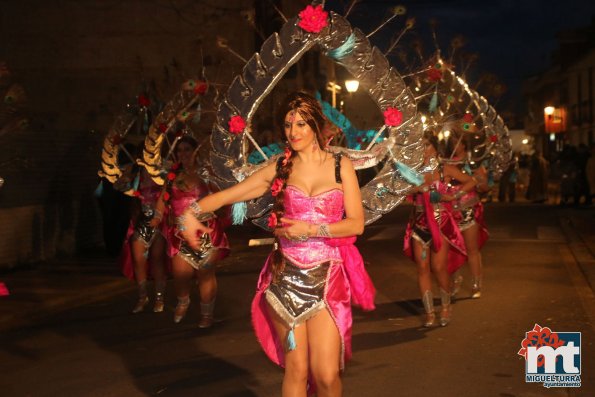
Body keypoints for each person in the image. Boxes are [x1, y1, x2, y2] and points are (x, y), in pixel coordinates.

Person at [178, 92, 375, 396]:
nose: (293, 132)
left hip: (327, 278)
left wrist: (310, 228)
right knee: (296, 369)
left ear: (315, 126)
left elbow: (356, 224)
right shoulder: (280, 167)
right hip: (284, 278)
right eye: (287, 125)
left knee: (326, 375)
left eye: (300, 124)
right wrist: (191, 213)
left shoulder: (341, 165)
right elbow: (232, 194)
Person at [155, 135, 230, 328]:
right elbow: (163, 199)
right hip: (180, 233)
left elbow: (223, 195)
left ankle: (207, 315)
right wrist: (156, 216)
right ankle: (183, 300)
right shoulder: (172, 174)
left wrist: (225, 213)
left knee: (205, 273)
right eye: (179, 150)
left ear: (196, 151)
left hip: (206, 231)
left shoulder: (206, 172)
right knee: (181, 273)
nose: (183, 154)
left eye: (187, 149)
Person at [403, 132, 476, 327]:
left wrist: (454, 196)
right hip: (419, 226)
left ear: (435, 147)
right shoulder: (412, 172)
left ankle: (445, 306)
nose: (423, 150)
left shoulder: (445, 170)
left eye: (426, 145)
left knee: (438, 267)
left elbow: (471, 181)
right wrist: (413, 189)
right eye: (420, 146)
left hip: (440, 225)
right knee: (422, 268)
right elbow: (399, 194)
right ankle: (429, 313)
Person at [118, 167, 168, 313]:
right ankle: (142, 297)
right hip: (141, 222)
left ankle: (159, 298)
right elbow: (120, 185)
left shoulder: (162, 173)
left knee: (157, 259)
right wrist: (124, 176)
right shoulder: (136, 175)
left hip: (158, 223)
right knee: (138, 260)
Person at [447, 133, 490, 299]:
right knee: (454, 247)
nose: (454, 145)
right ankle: (456, 280)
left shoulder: (473, 162)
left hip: (468, 208)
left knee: (472, 249)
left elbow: (484, 186)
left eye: (456, 142)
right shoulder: (447, 162)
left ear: (464, 144)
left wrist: (479, 180)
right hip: (450, 211)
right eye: (451, 143)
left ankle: (476, 283)